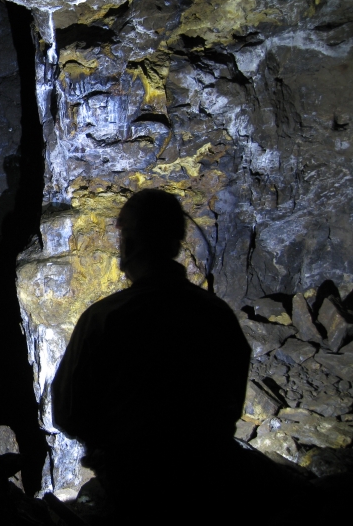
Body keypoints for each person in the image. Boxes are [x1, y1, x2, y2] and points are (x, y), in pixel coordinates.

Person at [51, 189, 251, 521]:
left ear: (129, 244)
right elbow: (230, 401)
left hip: (133, 489)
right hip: (208, 486)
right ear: (175, 242)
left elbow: (68, 412)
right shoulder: (218, 316)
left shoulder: (105, 318)